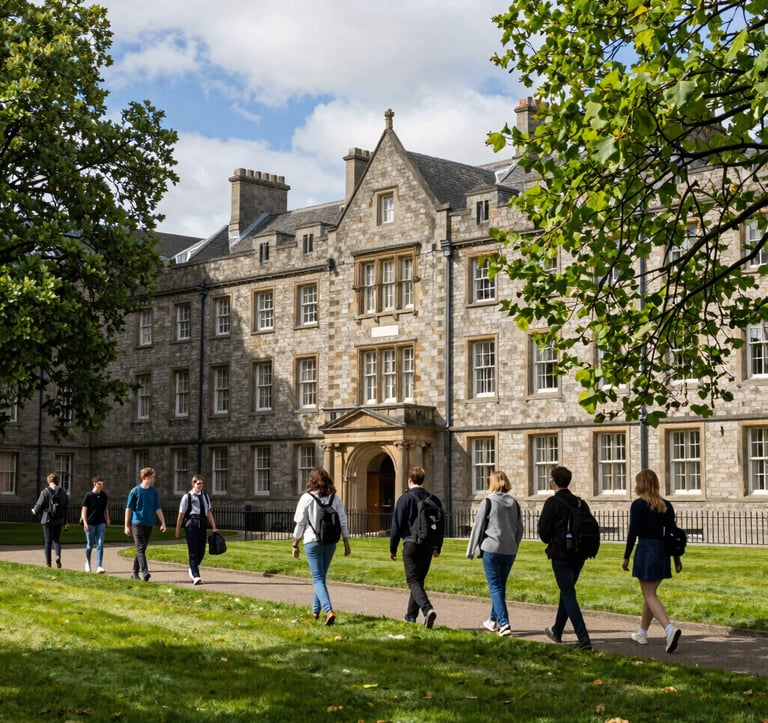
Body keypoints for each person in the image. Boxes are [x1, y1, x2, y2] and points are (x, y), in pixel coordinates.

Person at [622, 468, 683, 653]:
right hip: (662, 550)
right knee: (649, 593)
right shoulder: (666, 506)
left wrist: (626, 556)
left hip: (646, 549)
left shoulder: (638, 505)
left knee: (650, 594)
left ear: (640, 484)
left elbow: (633, 533)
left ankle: (669, 629)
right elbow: (673, 535)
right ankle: (642, 632)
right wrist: (676, 558)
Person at [537, 465, 593, 650]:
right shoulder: (579, 502)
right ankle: (557, 631)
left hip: (561, 554)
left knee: (568, 593)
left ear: (553, 481)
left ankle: (584, 639)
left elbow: (544, 533)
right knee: (566, 591)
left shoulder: (552, 503)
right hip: (579, 554)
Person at [466, 470, 524, 637]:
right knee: (500, 586)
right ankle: (492, 620)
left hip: (491, 548)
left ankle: (504, 623)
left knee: (495, 586)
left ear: (492, 483)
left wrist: (471, 550)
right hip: (509, 550)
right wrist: (514, 545)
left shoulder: (488, 501)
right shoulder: (514, 503)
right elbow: (519, 529)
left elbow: (478, 527)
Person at [291, 467, 351, 625]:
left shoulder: (306, 498)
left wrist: (295, 543)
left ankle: (328, 610)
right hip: (331, 542)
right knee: (321, 577)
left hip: (312, 541)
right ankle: (315, 610)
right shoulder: (335, 498)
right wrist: (346, 542)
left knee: (317, 578)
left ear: (312, 481)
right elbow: (343, 520)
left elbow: (300, 523)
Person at [389, 465, 444, 628]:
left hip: (411, 542)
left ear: (409, 480)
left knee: (413, 580)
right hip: (428, 544)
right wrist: (437, 546)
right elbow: (440, 525)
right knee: (418, 580)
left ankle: (427, 609)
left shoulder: (404, 499)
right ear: (422, 480)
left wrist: (393, 547)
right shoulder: (433, 499)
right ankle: (410, 616)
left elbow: (396, 525)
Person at [124, 467, 167, 581]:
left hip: (149, 523)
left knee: (141, 549)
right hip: (137, 523)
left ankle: (134, 572)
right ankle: (145, 571)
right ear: (145, 477)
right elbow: (128, 509)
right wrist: (126, 525)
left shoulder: (154, 492)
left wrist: (163, 522)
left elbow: (158, 508)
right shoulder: (135, 491)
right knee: (140, 548)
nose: (154, 479)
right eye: (152, 476)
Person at [175, 474, 218, 585]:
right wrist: (178, 528)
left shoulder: (205, 496)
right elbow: (181, 514)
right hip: (191, 524)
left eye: (201, 483)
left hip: (202, 524)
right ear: (193, 483)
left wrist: (214, 526)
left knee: (201, 551)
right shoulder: (187, 497)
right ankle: (196, 575)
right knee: (193, 551)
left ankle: (192, 567)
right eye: (198, 483)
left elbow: (208, 512)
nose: (200, 486)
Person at [31, 472, 69, 568]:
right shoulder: (63, 493)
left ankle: (48, 563)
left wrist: (34, 511)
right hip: (59, 520)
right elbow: (65, 508)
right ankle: (58, 555)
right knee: (56, 540)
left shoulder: (45, 492)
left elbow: (39, 505)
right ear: (58, 481)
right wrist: (65, 522)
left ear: (48, 481)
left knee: (48, 541)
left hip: (47, 519)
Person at [80, 475, 110, 573]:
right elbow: (84, 511)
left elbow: (105, 509)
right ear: (94, 484)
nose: (100, 486)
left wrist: (107, 519)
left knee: (100, 544)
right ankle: (87, 561)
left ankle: (99, 566)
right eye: (99, 484)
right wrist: (85, 523)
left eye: (102, 484)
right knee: (90, 544)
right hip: (90, 522)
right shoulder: (88, 496)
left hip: (100, 522)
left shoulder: (104, 496)